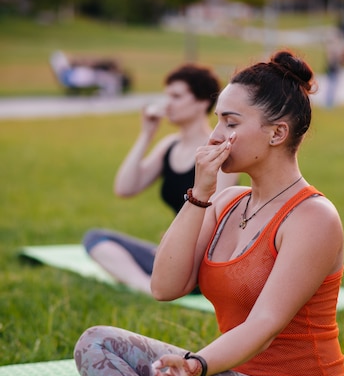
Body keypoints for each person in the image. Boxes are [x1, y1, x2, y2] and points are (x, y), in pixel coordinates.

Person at [75, 50, 344, 376]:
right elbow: (165, 286)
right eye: (217, 121)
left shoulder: (313, 218)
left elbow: (264, 325)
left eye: (230, 122)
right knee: (96, 344)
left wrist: (192, 368)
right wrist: (201, 192)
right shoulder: (227, 204)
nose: (215, 135)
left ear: (276, 133)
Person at [83, 63, 237, 293]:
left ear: (202, 102)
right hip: (175, 255)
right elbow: (125, 188)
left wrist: (174, 245)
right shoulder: (170, 145)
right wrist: (146, 135)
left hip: (205, 261)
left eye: (176, 96)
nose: (168, 104)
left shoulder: (219, 151)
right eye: (167, 96)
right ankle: (146, 286)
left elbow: (217, 218)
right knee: (96, 239)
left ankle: (156, 282)